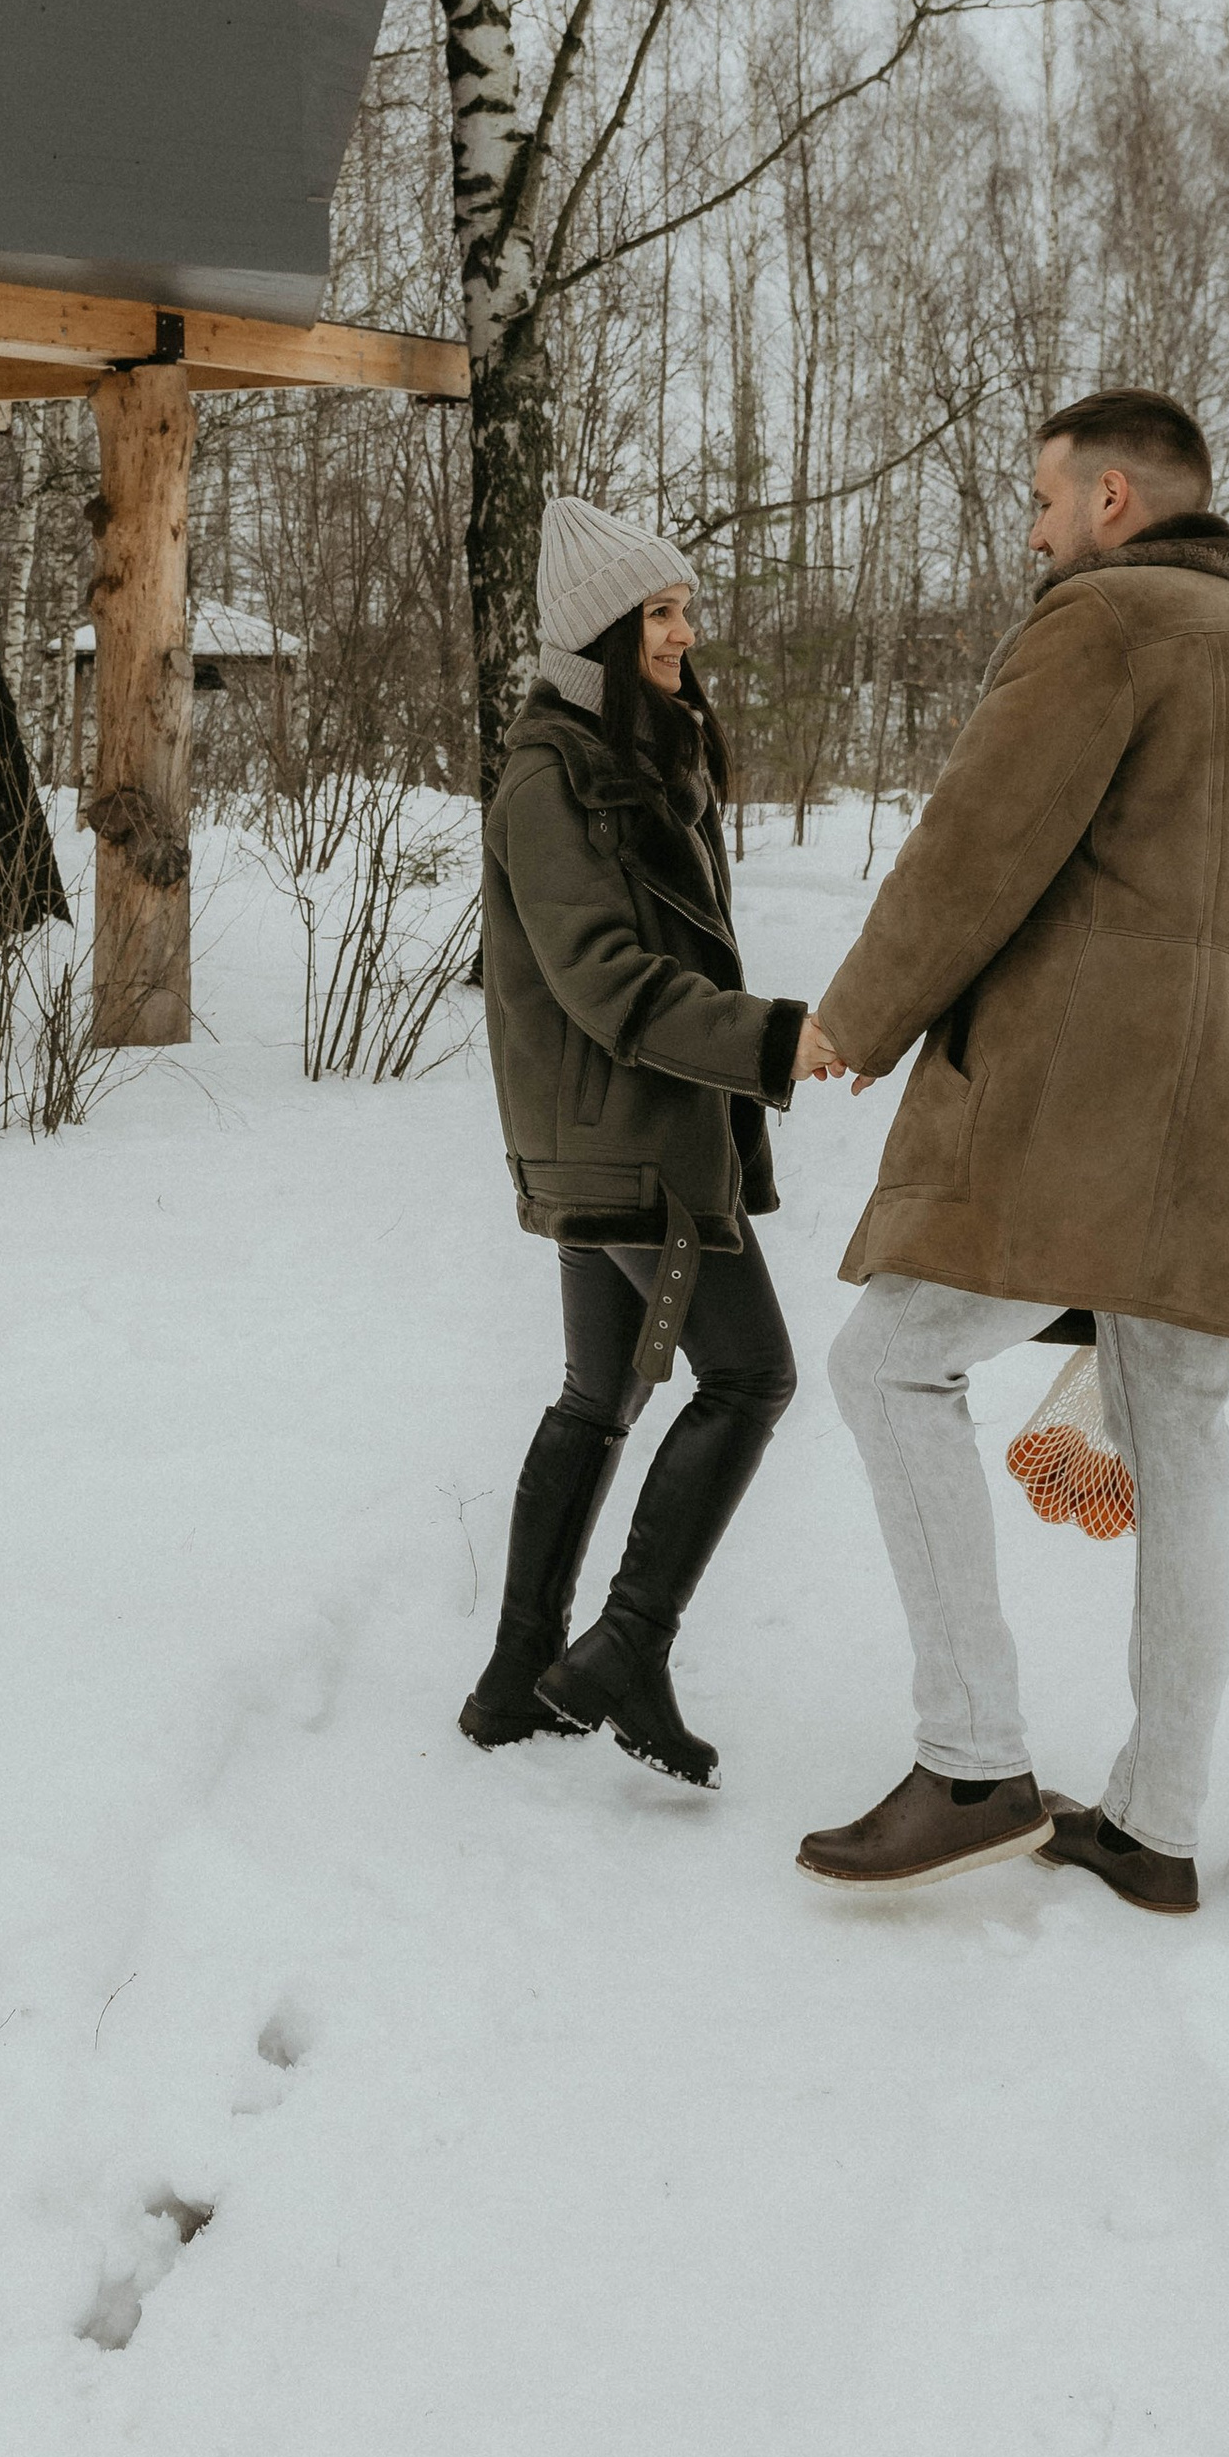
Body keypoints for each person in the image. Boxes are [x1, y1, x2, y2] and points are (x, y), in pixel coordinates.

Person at [790, 391, 1229, 1910]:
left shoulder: (1108, 624)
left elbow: (979, 835)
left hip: (1086, 1100)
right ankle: (1157, 1824)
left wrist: (858, 1015)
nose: (1031, 529)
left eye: (1044, 500)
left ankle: (971, 1760)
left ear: (1112, 496)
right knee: (1183, 1439)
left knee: (885, 1363)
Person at [463, 493, 810, 1790]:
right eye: (661, 614)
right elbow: (605, 977)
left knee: (596, 1396)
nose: (684, 634)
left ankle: (517, 1679)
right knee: (752, 1376)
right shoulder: (552, 775)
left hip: (612, 1133)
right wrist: (768, 1042)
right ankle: (624, 1646)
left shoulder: (630, 753)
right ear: (605, 632)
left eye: (684, 611)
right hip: (621, 1134)